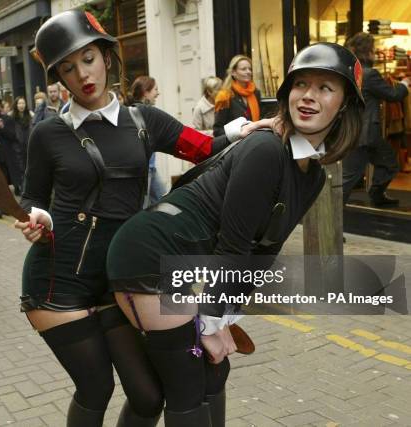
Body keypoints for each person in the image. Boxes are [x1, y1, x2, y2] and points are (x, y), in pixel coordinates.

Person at [14, 10, 274, 426]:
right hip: (57, 282)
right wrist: (37, 217)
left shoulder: (144, 120)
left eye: (88, 59)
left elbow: (202, 147)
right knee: (96, 387)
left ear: (106, 56)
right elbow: (32, 196)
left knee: (149, 396)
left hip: (119, 279)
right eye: (67, 68)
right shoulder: (48, 133)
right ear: (59, 78)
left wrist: (248, 131)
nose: (82, 74)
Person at [106, 42, 364, 426]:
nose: (308, 96)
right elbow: (234, 245)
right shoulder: (265, 149)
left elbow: (263, 254)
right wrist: (211, 321)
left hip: (182, 265)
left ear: (343, 104)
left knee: (209, 374)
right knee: (187, 384)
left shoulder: (312, 176)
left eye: (325, 88)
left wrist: (225, 315)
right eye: (301, 85)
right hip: (145, 254)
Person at [342, 32, 410, 206]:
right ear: (368, 52)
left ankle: (377, 195)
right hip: (366, 134)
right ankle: (327, 207)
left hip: (357, 132)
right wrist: (404, 84)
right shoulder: (369, 74)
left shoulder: (350, 73)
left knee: (387, 163)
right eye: (373, 49)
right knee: (350, 176)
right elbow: (393, 95)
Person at [130, 76, 166, 205]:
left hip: (150, 168)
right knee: (142, 206)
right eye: (155, 89)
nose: (158, 93)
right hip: (145, 170)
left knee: (163, 201)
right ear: (146, 92)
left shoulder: (138, 111)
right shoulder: (140, 112)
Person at [213, 55, 261, 137]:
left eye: (250, 69)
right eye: (243, 69)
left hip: (254, 140)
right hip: (235, 144)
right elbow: (218, 130)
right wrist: (238, 134)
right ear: (233, 73)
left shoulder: (255, 93)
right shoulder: (225, 96)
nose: (248, 72)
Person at [9, 96, 32, 194]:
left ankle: (27, 187)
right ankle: (20, 186)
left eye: (23, 103)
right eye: (19, 103)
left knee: (28, 167)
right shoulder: (11, 117)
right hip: (16, 146)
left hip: (28, 145)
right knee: (19, 167)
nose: (21, 105)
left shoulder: (30, 116)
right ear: (16, 105)